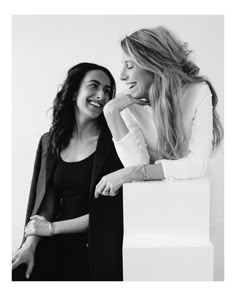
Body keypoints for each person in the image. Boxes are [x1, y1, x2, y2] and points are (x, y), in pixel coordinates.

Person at [12, 62, 124, 281]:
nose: (101, 95)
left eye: (108, 90)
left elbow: (110, 212)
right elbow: (45, 203)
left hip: (95, 244)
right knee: (18, 272)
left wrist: (53, 228)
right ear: (74, 92)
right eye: (94, 86)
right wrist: (29, 245)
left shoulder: (114, 144)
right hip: (51, 239)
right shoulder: (49, 142)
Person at [94, 26, 223, 197]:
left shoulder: (198, 92)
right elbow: (136, 163)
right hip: (150, 196)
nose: (122, 76)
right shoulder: (124, 104)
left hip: (193, 194)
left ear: (153, 65)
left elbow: (198, 164)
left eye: (129, 66)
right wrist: (111, 113)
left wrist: (135, 173)